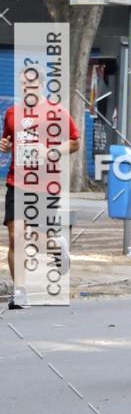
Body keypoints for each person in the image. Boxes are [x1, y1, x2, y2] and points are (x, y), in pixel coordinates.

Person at [1, 66, 80, 309]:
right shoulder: (12, 113)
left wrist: (51, 151)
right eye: (24, 84)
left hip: (45, 185)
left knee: (34, 238)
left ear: (42, 86)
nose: (28, 89)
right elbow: (8, 140)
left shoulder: (56, 111)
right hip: (17, 181)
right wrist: (5, 145)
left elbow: (75, 142)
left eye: (33, 85)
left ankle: (56, 247)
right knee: (15, 236)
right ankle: (20, 292)